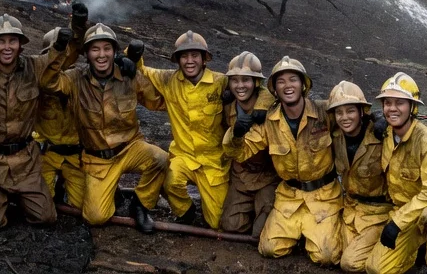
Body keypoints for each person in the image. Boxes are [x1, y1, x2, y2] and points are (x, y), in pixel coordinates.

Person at [0, 9, 84, 231]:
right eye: (1, 42)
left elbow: (59, 62)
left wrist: (74, 32)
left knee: (46, 218)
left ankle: (12, 196)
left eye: (13, 41)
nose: (7, 47)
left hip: (26, 163)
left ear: (20, 45)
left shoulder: (33, 68)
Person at [43, 23, 168, 232]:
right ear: (86, 54)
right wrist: (59, 49)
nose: (101, 55)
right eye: (95, 49)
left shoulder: (128, 76)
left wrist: (138, 66)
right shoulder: (75, 79)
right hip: (98, 158)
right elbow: (48, 82)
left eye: (107, 48)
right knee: (96, 217)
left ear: (114, 51)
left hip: (130, 148)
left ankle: (140, 204)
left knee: (160, 158)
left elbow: (159, 101)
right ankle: (110, 192)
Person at [226, 56, 342, 266]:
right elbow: (240, 153)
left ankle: (320, 231)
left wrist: (373, 119)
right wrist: (235, 134)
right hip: (290, 196)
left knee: (326, 257)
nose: (288, 86)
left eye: (293, 80)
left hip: (324, 197)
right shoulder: (269, 121)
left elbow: (353, 118)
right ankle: (303, 234)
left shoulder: (325, 112)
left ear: (303, 85)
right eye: (281, 82)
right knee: (269, 249)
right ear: (275, 90)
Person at [365, 73, 427, 274]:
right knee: (375, 269)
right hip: (401, 210)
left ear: (412, 107)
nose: (392, 108)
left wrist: (397, 223)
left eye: (399, 103)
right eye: (387, 103)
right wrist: (376, 120)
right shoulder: (387, 134)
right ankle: (417, 247)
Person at [138, 31, 229, 229]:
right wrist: (133, 53)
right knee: (170, 180)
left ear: (204, 59)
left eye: (194, 55)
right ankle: (186, 212)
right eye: (184, 56)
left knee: (217, 222)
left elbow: (253, 88)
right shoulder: (168, 80)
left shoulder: (221, 82)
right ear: (177, 59)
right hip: (184, 156)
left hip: (214, 162)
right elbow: (141, 70)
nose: (189, 61)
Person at [328, 81, 388, 273]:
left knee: (350, 264)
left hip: (379, 213)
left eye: (350, 111)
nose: (344, 118)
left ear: (362, 111)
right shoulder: (336, 137)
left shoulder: (381, 134)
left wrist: (382, 117)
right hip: (351, 209)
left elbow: (409, 125)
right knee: (331, 255)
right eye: (339, 112)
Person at [219, 52, 280, 235]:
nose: (240, 86)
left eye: (246, 80)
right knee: (231, 225)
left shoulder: (271, 106)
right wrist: (235, 133)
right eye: (235, 81)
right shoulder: (228, 106)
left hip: (268, 177)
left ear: (256, 83)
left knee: (261, 232)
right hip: (241, 175)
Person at [35, 27, 85, 208]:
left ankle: (66, 184)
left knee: (82, 205)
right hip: (46, 155)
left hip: (75, 156)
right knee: (42, 204)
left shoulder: (82, 79)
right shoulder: (38, 82)